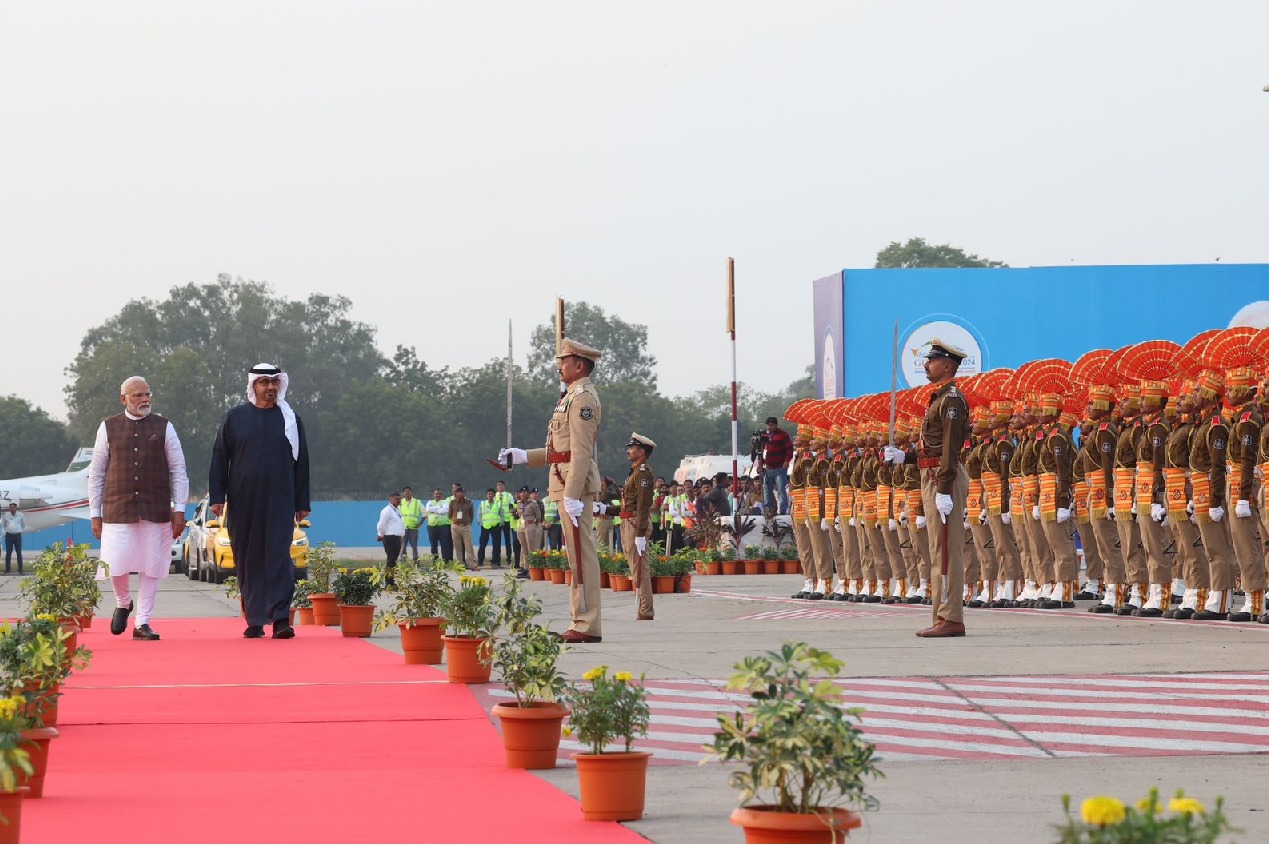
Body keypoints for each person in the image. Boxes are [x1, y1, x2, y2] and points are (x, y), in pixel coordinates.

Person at [500, 337, 605, 644]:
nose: (559, 365)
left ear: (579, 365)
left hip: (574, 483)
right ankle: (580, 619)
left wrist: (573, 493)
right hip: (563, 479)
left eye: (564, 360)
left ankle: (587, 624)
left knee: (582, 557)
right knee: (575, 556)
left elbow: (582, 451)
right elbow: (559, 450)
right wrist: (523, 456)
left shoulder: (583, 399)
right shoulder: (570, 397)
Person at [209, 363, 311, 640]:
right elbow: (220, 457)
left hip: (281, 499)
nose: (270, 388)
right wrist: (217, 497)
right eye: (264, 382)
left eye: (274, 382)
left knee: (278, 557)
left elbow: (301, 463)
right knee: (248, 558)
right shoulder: (235, 417)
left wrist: (302, 501)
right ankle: (254, 619)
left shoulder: (290, 419)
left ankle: (280, 619)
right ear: (253, 386)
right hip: (243, 500)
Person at [86, 376, 189, 640]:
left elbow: (178, 469)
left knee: (150, 566)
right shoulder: (108, 427)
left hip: (155, 508)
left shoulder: (164, 427)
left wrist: (179, 509)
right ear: (124, 399)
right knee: (114, 564)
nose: (144, 400)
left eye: (147, 394)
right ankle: (123, 602)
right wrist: (94, 513)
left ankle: (142, 622)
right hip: (117, 508)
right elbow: (96, 473)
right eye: (137, 396)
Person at [884, 338, 971, 638]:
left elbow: (949, 448)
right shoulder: (938, 398)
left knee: (947, 551)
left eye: (932, 360)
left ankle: (951, 618)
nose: (926, 364)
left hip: (941, 478)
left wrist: (945, 488)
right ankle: (941, 615)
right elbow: (930, 447)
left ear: (947, 365)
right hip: (931, 475)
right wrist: (904, 457)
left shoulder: (952, 401)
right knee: (937, 550)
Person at [613, 433, 657, 620]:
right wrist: (605, 510)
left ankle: (646, 610)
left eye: (631, 448)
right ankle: (643, 608)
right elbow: (628, 504)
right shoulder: (635, 471)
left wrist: (640, 533)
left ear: (641, 451)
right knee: (635, 567)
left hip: (635, 523)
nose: (628, 451)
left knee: (640, 568)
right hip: (628, 521)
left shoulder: (643, 472)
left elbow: (643, 504)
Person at [757, 416, 794, 515]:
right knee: (766, 490)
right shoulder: (764, 435)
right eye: (768, 425)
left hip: (780, 467)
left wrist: (787, 461)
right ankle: (768, 509)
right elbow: (760, 451)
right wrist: (760, 464)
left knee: (781, 489)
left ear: (776, 425)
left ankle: (782, 510)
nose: (769, 427)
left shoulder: (783, 435)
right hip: (767, 468)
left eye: (771, 425)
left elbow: (790, 449)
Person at [376, 491, 405, 585]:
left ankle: (391, 581)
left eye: (399, 499)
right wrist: (381, 534)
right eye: (396, 499)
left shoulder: (397, 510)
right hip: (390, 538)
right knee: (391, 560)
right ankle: (389, 582)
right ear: (391, 499)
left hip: (396, 538)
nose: (398, 501)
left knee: (394, 560)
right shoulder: (386, 511)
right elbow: (381, 524)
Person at [515, 486, 543, 579]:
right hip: (521, 526)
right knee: (524, 548)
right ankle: (526, 568)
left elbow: (538, 516)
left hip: (530, 525)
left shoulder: (533, 504)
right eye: (521, 492)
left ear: (528, 493)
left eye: (525, 492)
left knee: (532, 548)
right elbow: (518, 514)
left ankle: (533, 569)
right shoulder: (519, 504)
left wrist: (534, 525)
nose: (522, 494)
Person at [447, 487, 474, 568]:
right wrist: (455, 521)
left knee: (468, 546)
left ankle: (472, 564)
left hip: (466, 527)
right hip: (455, 527)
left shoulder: (469, 503)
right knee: (457, 546)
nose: (460, 494)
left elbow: (471, 515)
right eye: (458, 492)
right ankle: (460, 564)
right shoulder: (452, 503)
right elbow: (449, 515)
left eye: (461, 492)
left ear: (464, 493)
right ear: (456, 494)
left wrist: (467, 522)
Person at [476, 488, 503, 570]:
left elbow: (502, 514)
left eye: (492, 494)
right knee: (482, 544)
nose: (490, 495)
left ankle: (496, 561)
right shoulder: (483, 504)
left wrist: (501, 522)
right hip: (485, 526)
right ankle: (480, 560)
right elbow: (479, 514)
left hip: (496, 526)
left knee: (496, 544)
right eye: (489, 494)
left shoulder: (498, 504)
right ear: (487, 495)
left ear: (494, 495)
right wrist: (480, 522)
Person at [425, 488, 453, 562]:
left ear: (441, 495)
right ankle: (435, 561)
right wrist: (439, 508)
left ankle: (445, 562)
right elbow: (428, 509)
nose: (438, 495)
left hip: (443, 526)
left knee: (444, 545)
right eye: (436, 494)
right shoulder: (429, 502)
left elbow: (445, 510)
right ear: (433, 494)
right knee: (433, 546)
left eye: (439, 494)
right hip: (432, 526)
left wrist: (434, 510)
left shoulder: (445, 502)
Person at [398, 486, 424, 563]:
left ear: (411, 492)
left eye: (408, 491)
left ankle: (416, 561)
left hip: (413, 528)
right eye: (405, 491)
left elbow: (425, 513)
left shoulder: (417, 502)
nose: (407, 493)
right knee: (403, 546)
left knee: (414, 546)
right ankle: (403, 561)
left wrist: (420, 523)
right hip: (403, 527)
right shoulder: (400, 502)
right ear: (403, 493)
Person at [2, 504, 24, 574]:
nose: (12, 509)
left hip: (17, 536)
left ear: (16, 508)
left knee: (19, 553)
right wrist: (9, 530)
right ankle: (8, 569)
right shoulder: (6, 515)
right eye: (10, 507)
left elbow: (23, 525)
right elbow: (4, 525)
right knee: (8, 553)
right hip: (9, 536)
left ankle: (20, 569)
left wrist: (17, 530)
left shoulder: (20, 515)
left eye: (13, 507)